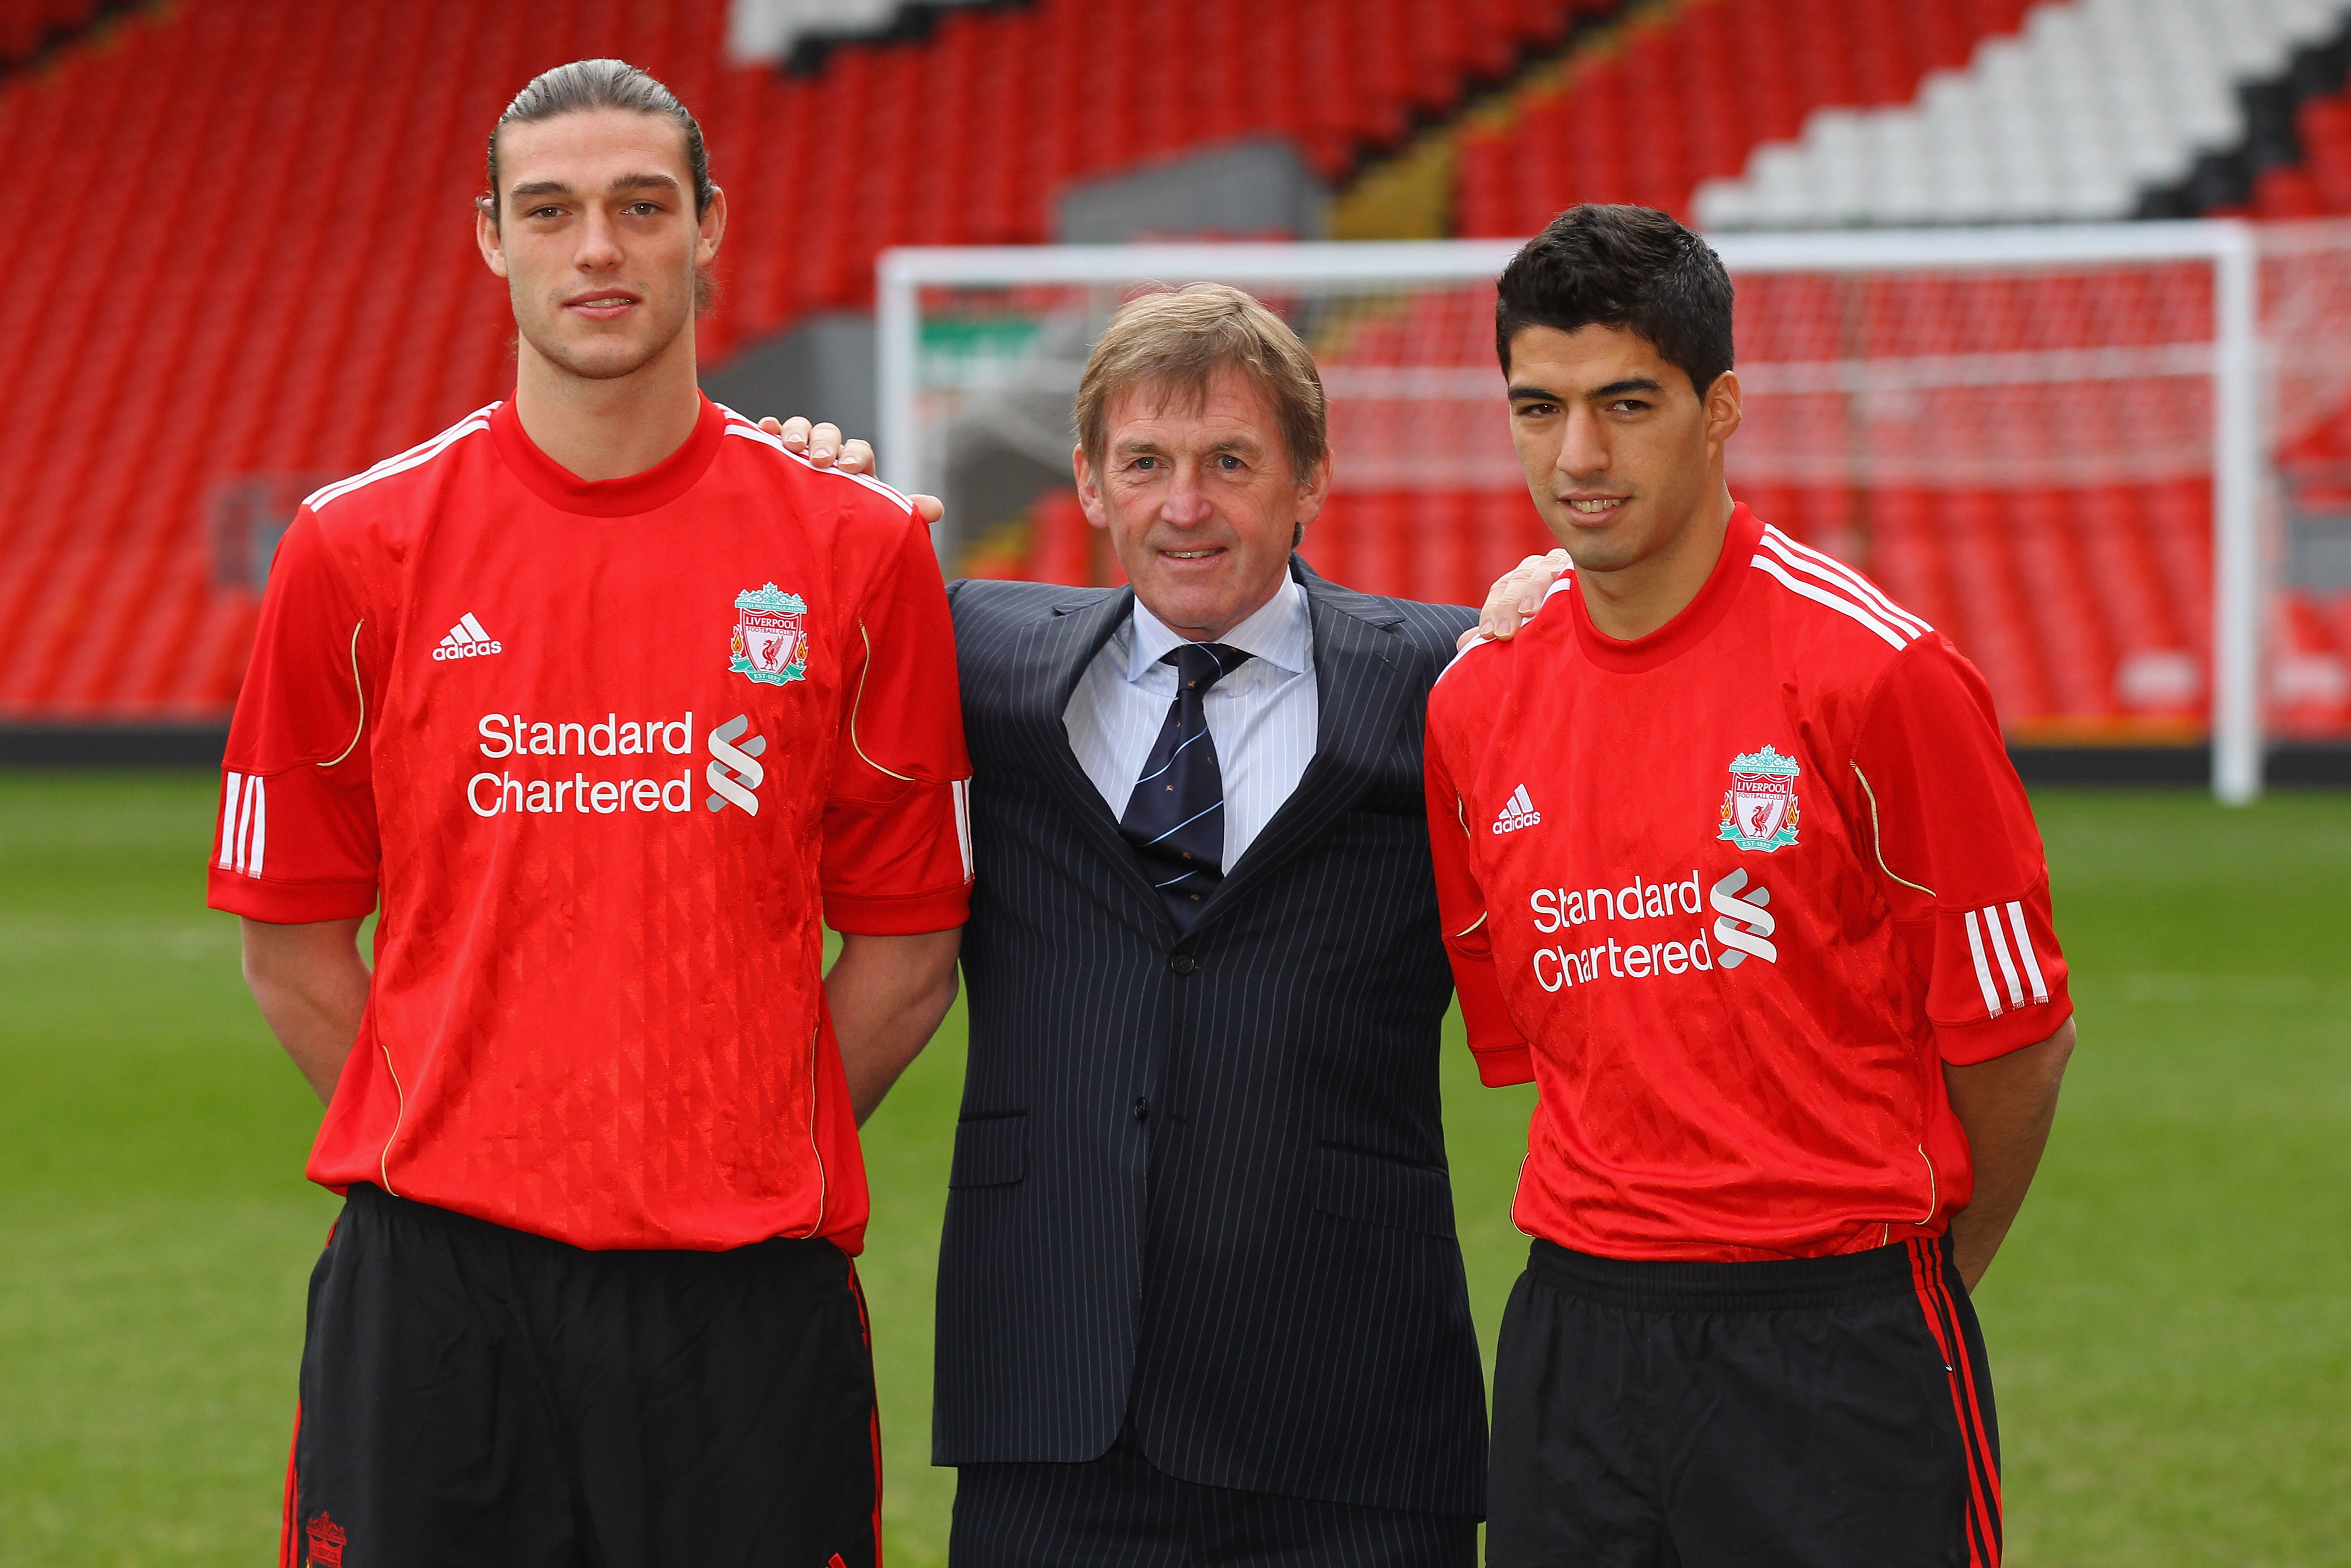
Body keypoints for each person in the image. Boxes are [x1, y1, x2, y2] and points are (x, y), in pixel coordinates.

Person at [208, 60, 969, 1568]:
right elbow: (292, 940)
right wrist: (464, 1140)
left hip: (743, 1301)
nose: (598, 250)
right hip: (438, 1299)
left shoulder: (854, 549)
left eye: (639, 207)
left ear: (709, 226)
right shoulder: (354, 549)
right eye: (550, 212)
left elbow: (905, 950)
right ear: (491, 238)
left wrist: (739, 1139)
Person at [1426, 203, 2077, 1567]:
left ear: (1719, 408)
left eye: (1624, 403)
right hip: (1573, 1331)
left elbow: (2014, 1040)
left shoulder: (1878, 675)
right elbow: (1545, 1041)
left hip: (1837, 1338)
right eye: (1536, 408)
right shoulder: (1475, 702)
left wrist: (1916, 1291)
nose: (1577, 456)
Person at [925, 284, 1487, 1566]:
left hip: (1352, 1410)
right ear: (1088, 482)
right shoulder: (976, 652)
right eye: (1147, 464)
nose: (1185, 506)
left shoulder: (1450, 676)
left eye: (1230, 461)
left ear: (1310, 479)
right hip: (1050, 1408)